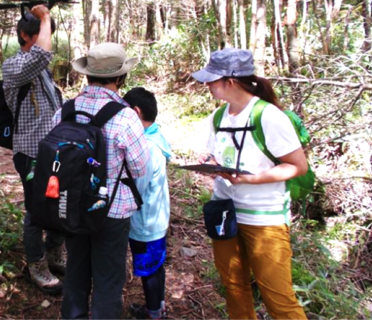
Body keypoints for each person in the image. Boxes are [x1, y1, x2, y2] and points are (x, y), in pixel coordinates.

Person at [193, 48, 308, 320]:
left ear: (229, 82)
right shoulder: (218, 118)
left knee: (278, 296)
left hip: (264, 217)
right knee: (234, 286)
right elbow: (221, 154)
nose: (207, 85)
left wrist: (253, 179)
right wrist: (211, 163)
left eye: (211, 79)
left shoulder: (268, 116)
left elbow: (297, 165)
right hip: (225, 210)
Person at [56, 43, 150, 320]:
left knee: (76, 268)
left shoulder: (65, 110)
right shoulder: (125, 117)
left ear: (87, 75)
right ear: (120, 79)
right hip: (112, 209)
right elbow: (140, 166)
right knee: (108, 278)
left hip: (72, 204)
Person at [2, 5, 65, 294]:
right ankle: (36, 264)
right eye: (40, 33)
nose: (45, 38)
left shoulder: (43, 72)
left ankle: (54, 253)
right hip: (30, 153)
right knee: (36, 210)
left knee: (57, 204)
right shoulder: (15, 67)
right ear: (26, 36)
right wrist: (46, 17)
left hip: (53, 152)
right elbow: (43, 54)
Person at [123, 87, 171, 320]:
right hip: (155, 218)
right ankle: (158, 305)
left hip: (145, 223)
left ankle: (153, 313)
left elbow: (137, 189)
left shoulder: (147, 147)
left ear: (135, 112)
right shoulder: (155, 137)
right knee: (155, 265)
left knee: (149, 269)